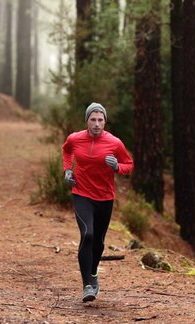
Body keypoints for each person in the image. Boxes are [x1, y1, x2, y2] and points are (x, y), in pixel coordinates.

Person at [62, 102, 133, 302]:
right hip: (82, 194)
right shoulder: (75, 139)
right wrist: (67, 170)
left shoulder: (115, 143)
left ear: (105, 121)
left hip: (105, 198)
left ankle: (93, 272)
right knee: (87, 234)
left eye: (100, 120)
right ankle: (87, 286)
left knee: (99, 242)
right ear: (87, 121)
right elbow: (66, 150)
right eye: (93, 120)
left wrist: (118, 166)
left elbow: (129, 164)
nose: (96, 124)